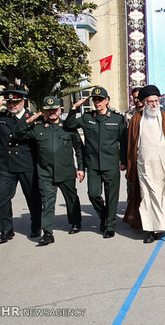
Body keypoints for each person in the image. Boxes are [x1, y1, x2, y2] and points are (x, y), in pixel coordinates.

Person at [13, 96, 84, 246]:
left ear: (59, 110)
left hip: (66, 171)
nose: (52, 112)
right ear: (44, 112)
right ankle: (47, 232)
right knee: (47, 203)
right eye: (48, 110)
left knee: (71, 199)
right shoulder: (37, 128)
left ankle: (75, 222)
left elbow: (79, 149)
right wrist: (28, 121)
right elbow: (17, 134)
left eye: (54, 109)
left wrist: (81, 169)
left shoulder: (68, 128)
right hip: (45, 173)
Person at [124, 85, 165, 243]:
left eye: (155, 101)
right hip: (144, 165)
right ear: (144, 102)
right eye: (150, 101)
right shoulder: (136, 119)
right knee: (147, 196)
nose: (153, 104)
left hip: (163, 165)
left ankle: (163, 225)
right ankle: (150, 229)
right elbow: (131, 144)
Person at [0, 89, 42, 244]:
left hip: (27, 164)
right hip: (6, 165)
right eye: (9, 102)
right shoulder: (2, 117)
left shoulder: (32, 118)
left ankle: (36, 225)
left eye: (15, 102)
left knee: (33, 198)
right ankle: (6, 229)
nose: (12, 105)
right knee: (1, 196)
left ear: (23, 102)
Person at [64, 87, 127, 239]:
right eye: (95, 100)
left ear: (107, 100)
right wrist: (74, 108)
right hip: (92, 164)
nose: (97, 102)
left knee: (111, 196)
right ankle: (104, 215)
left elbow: (124, 142)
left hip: (111, 163)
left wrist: (124, 161)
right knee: (93, 194)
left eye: (100, 99)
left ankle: (109, 225)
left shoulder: (117, 119)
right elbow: (69, 125)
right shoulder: (87, 117)